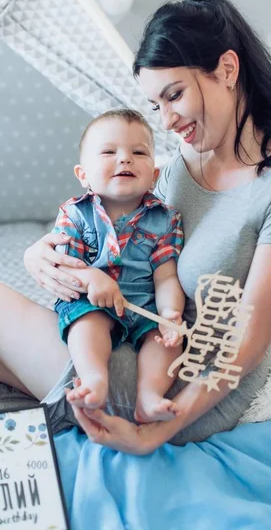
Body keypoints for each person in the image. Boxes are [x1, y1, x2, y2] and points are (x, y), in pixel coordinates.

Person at [0, 0, 271, 455]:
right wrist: (40, 250)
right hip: (125, 343)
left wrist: (153, 433)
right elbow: (116, 220)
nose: (167, 121)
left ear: (227, 69)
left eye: (174, 95)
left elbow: (247, 343)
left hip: (169, 387)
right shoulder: (186, 159)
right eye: (156, 105)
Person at [51, 108, 185, 422]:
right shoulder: (75, 213)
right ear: (83, 175)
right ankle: (95, 379)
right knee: (87, 324)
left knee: (165, 342)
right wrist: (89, 278)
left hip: (142, 306)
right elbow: (63, 264)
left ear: (154, 175)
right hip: (91, 303)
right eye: (109, 152)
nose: (125, 159)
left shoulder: (165, 219)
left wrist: (169, 313)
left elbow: (166, 275)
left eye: (138, 152)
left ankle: (149, 395)